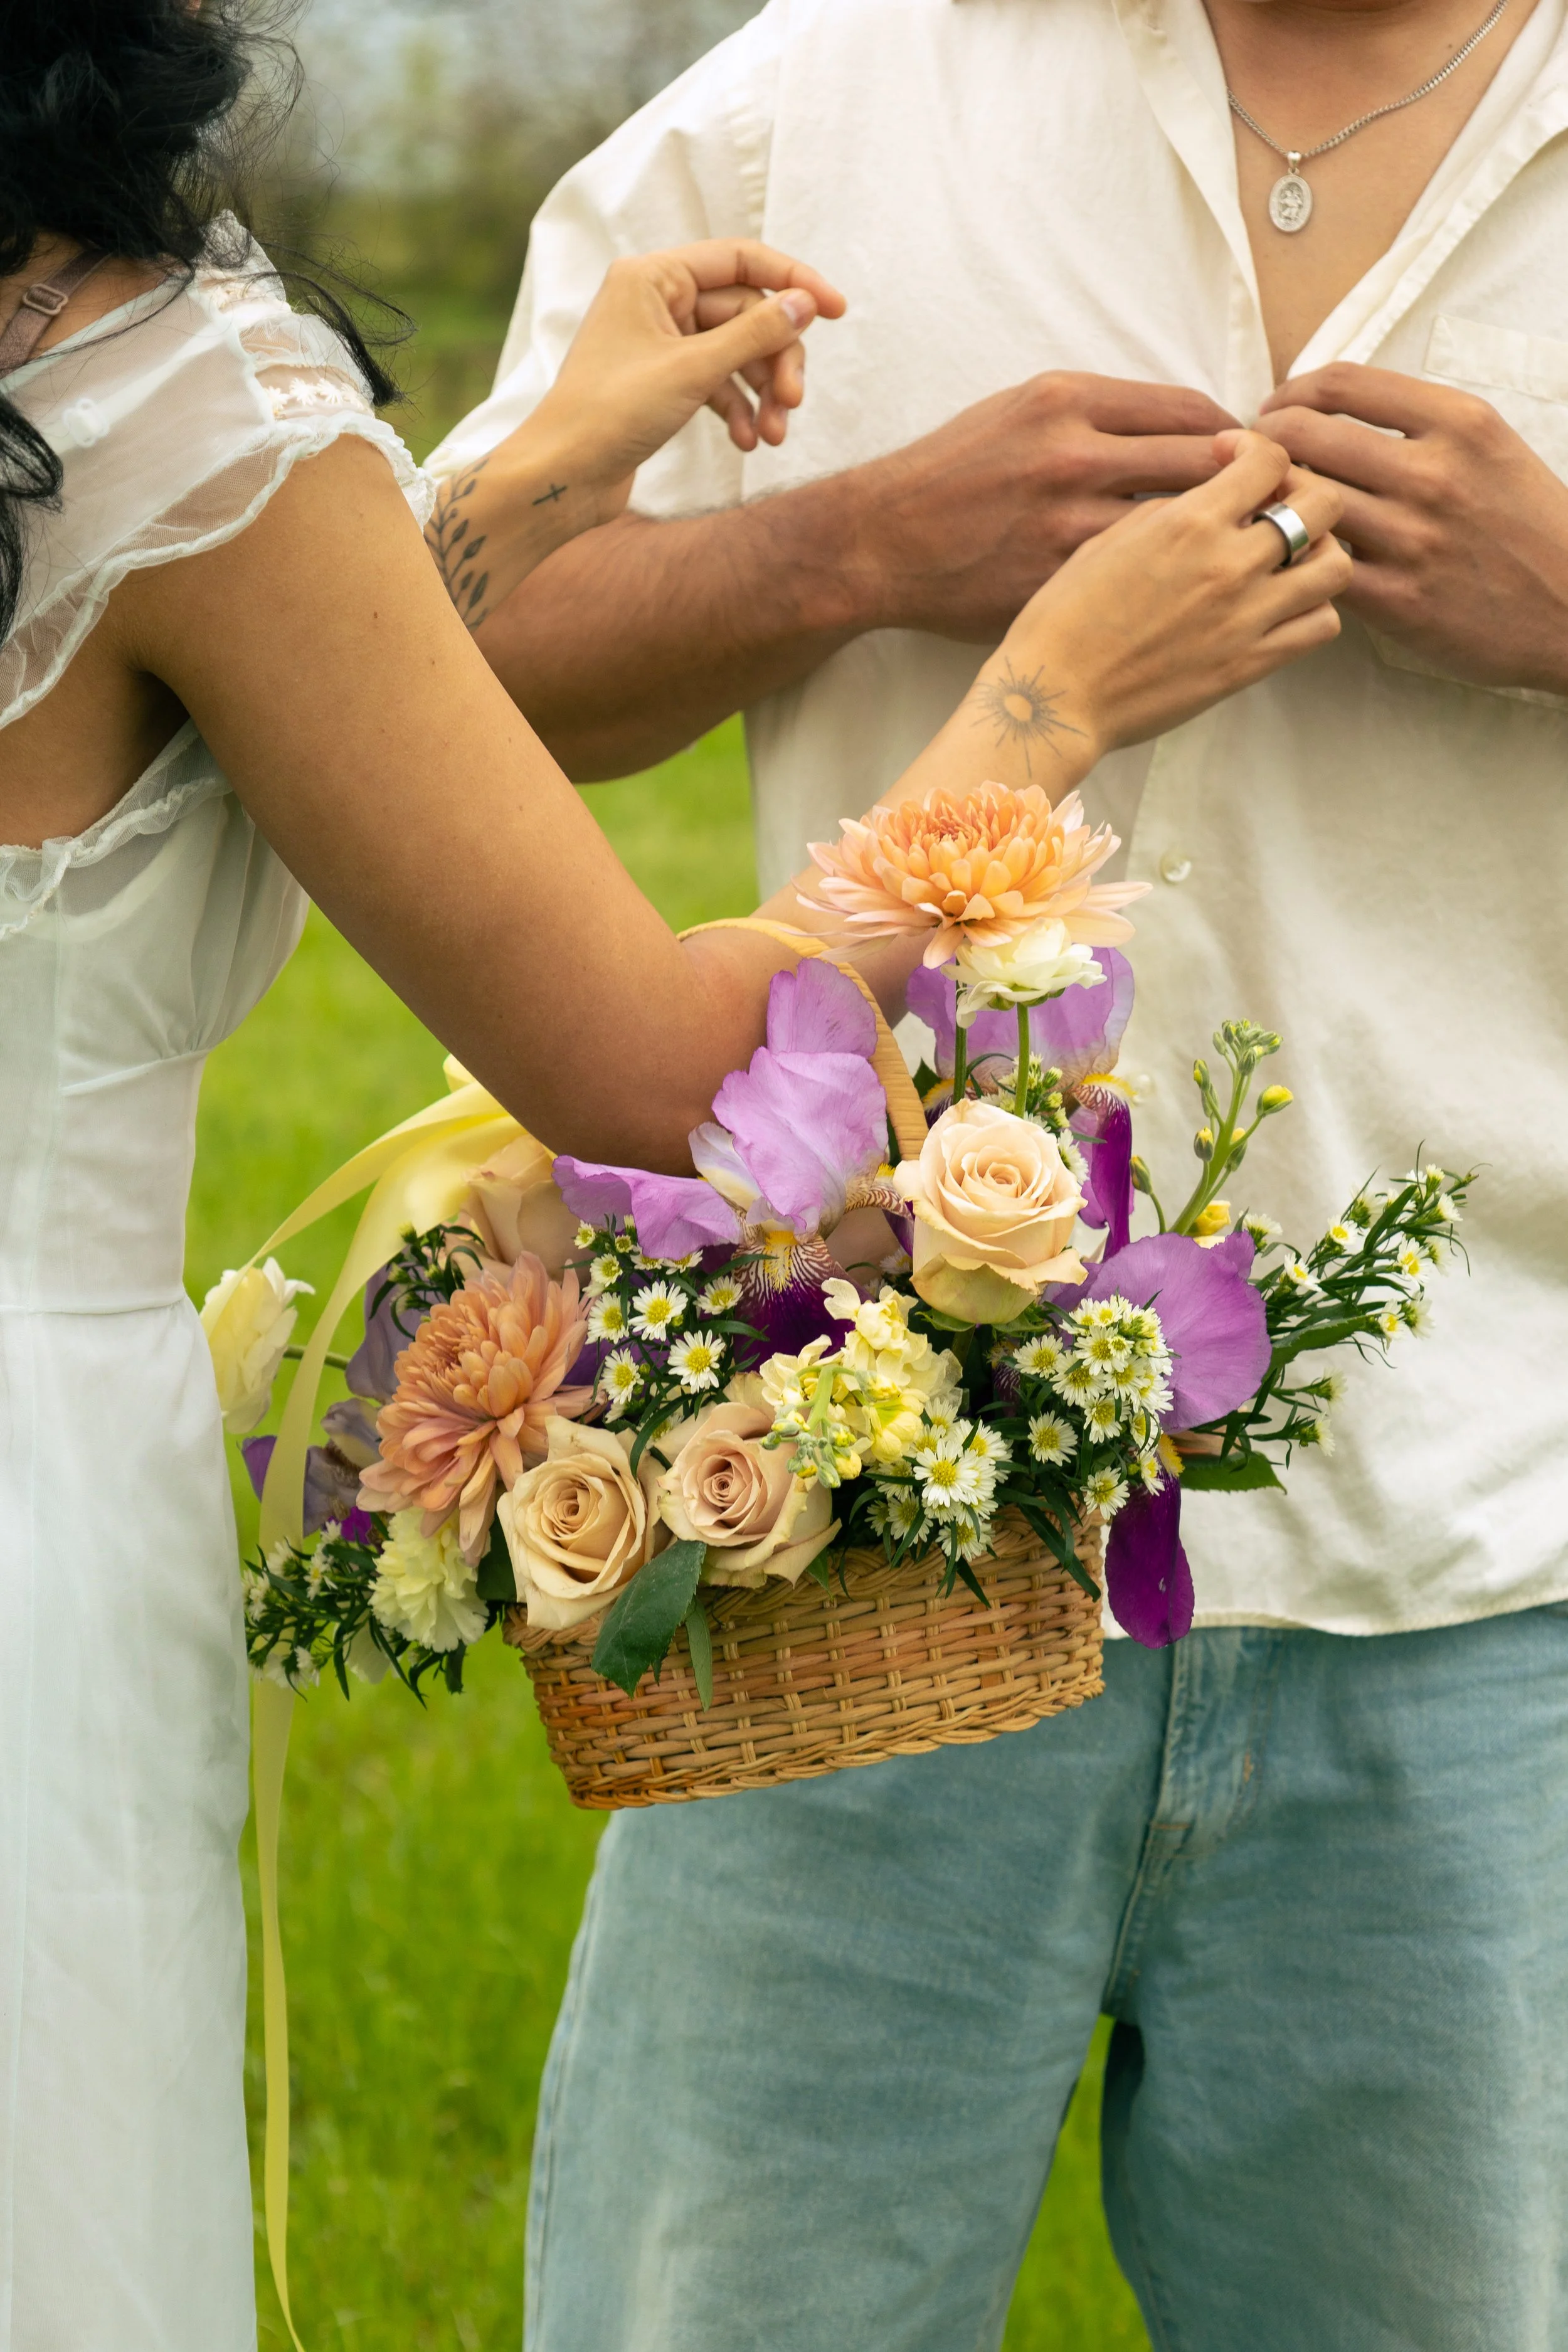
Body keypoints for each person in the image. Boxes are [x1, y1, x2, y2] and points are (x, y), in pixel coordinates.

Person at [0, 4, 1346, 2344]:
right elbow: (648, 1056)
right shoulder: (150, 370)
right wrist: (1044, 696)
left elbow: (143, 656)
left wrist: (521, 482)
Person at [432, 0, 1568, 2346]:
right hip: (841, 1542)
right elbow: (448, 654)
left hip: (1496, 1579)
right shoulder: (818, 93)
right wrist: (847, 544)